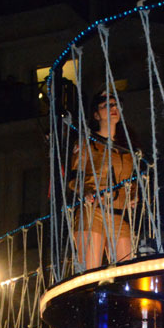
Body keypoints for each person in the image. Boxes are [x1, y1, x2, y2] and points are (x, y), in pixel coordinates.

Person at [68, 91, 138, 270]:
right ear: (96, 114)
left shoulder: (127, 147)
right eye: (107, 105)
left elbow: (134, 179)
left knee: (127, 271)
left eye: (116, 105)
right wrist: (85, 191)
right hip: (94, 212)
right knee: (91, 271)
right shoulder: (88, 143)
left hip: (119, 214)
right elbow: (74, 177)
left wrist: (135, 196)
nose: (113, 108)